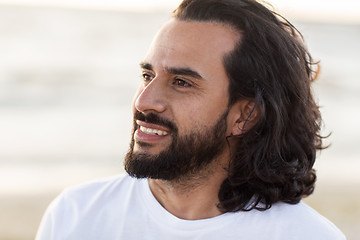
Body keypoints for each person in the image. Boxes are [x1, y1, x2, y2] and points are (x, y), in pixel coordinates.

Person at [36, 0, 346, 239]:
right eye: (147, 75)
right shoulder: (75, 216)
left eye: (181, 82)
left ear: (246, 115)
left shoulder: (306, 236)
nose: (144, 101)